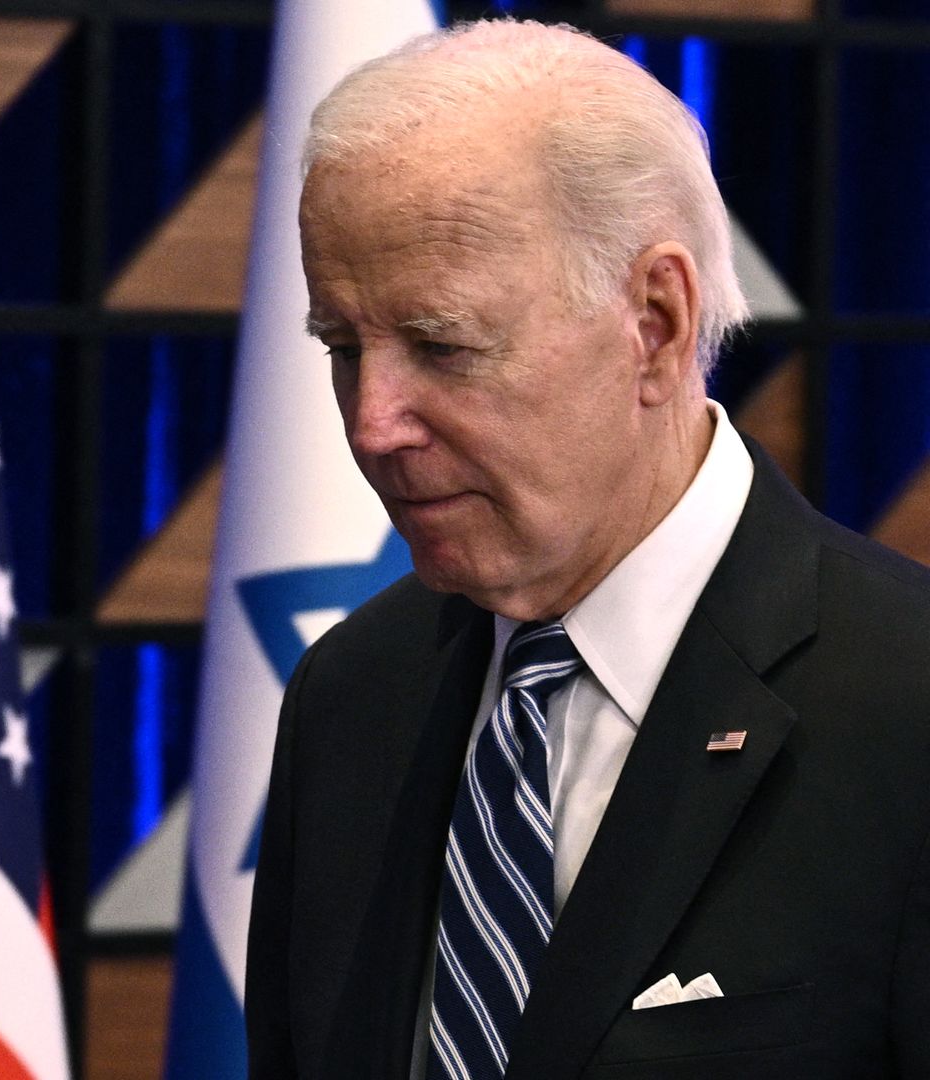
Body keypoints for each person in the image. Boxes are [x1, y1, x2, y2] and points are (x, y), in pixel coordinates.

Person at [243, 19, 930, 1080]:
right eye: (343, 347)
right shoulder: (352, 692)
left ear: (655, 321)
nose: (373, 423)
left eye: (441, 345)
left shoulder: (907, 703)